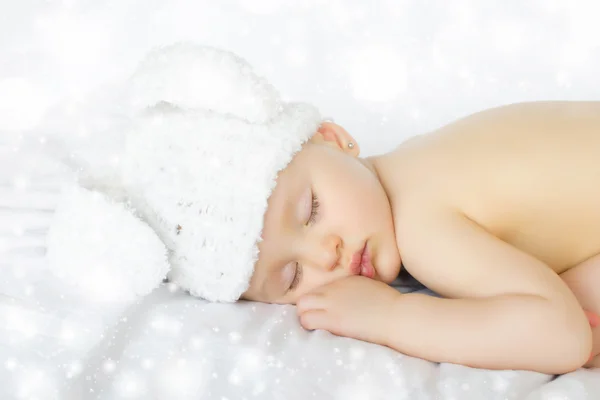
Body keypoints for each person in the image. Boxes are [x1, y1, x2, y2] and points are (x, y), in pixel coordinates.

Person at [238, 101, 600, 374]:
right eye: (293, 276)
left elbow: (566, 339)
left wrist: (388, 316)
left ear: (332, 138)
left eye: (311, 209)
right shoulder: (415, 159)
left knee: (545, 324)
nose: (325, 254)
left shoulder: (420, 229)